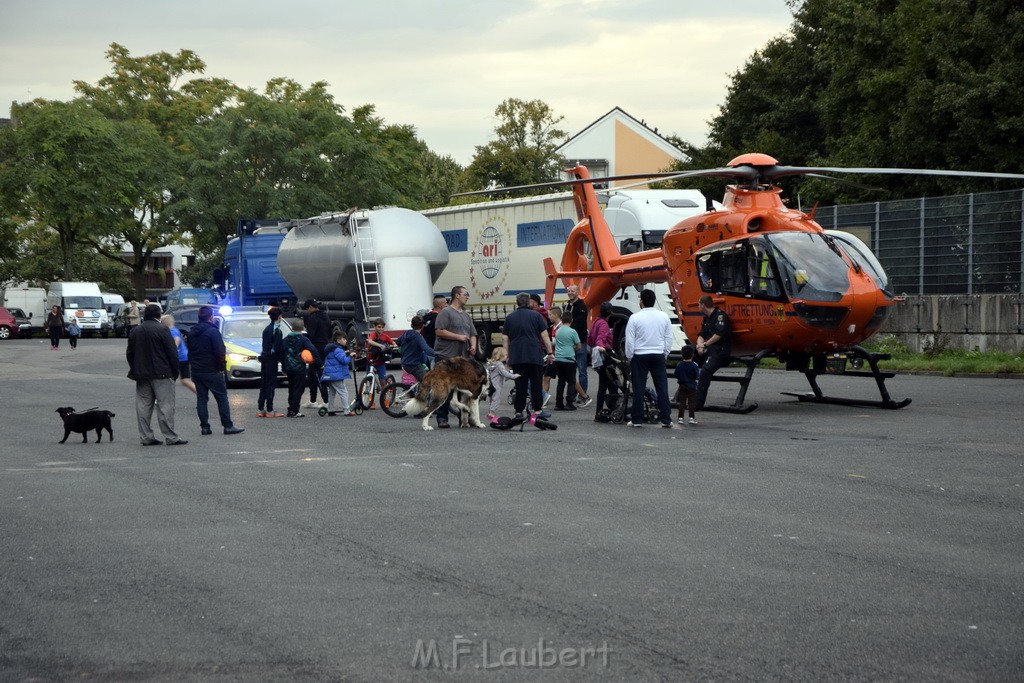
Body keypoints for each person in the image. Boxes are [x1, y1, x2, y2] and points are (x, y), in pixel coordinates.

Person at [126, 302, 186, 446]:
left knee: (143, 407)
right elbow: (172, 352)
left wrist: (135, 368)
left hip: (141, 374)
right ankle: (170, 436)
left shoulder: (135, 331)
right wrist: (175, 371)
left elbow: (130, 353)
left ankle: (146, 436)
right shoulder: (163, 330)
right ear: (159, 315)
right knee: (165, 406)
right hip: (162, 373)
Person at [186, 306, 245, 436]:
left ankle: (205, 427)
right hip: (211, 369)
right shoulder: (213, 332)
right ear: (211, 317)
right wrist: (221, 368)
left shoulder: (191, 332)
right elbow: (219, 351)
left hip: (197, 369)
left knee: (201, 398)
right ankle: (227, 425)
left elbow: (189, 351)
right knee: (221, 397)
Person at [624, 288, 674, 428]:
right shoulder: (664, 316)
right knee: (662, 387)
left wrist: (630, 356)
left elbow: (629, 340)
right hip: (658, 354)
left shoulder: (635, 317)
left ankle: (637, 419)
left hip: (640, 355)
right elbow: (668, 338)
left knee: (639, 388)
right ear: (654, 301)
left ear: (641, 302)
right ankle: (666, 418)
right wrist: (665, 353)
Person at [503, 292, 554, 420]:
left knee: (520, 384)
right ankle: (537, 410)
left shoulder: (510, 317)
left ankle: (518, 411)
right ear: (529, 302)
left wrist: (506, 356)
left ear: (517, 302)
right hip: (534, 355)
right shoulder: (536, 316)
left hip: (517, 355)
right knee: (536, 383)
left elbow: (505, 339)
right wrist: (550, 353)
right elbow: (545, 336)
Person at [432, 285, 477, 428]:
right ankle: (442, 418)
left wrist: (474, 346)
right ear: (457, 295)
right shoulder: (445, 312)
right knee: (444, 388)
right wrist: (458, 337)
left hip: (463, 358)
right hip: (446, 357)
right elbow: (439, 331)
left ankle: (464, 417)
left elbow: (472, 334)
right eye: (465, 294)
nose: (467, 296)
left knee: (464, 389)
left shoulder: (465, 315)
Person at [694, 294, 733, 411]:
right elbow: (702, 334)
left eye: (698, 304)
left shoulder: (720, 316)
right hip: (709, 348)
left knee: (705, 372)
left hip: (720, 350)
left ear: (703, 305)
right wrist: (699, 345)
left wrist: (705, 344)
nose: (698, 307)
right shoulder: (706, 317)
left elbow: (719, 335)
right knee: (688, 358)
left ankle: (698, 403)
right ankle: (680, 396)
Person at [282, 318, 320, 418]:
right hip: (299, 368)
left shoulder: (285, 339)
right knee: (298, 390)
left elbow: (282, 354)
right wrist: (319, 363)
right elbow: (313, 350)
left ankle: (290, 409)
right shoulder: (303, 340)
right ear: (303, 328)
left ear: (291, 328)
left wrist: (283, 367)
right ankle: (295, 410)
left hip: (289, 368)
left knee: (291, 389)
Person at [588, 301, 618, 419]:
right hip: (605, 355)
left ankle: (603, 410)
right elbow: (600, 338)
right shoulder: (604, 324)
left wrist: (595, 347)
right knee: (609, 384)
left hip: (598, 356)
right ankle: (609, 409)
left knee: (606, 384)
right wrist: (601, 346)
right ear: (610, 313)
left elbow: (590, 339)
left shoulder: (595, 322)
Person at [553, 310, 586, 410]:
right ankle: (569, 402)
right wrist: (572, 348)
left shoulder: (558, 331)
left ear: (562, 320)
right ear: (572, 320)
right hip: (569, 359)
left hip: (558, 358)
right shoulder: (573, 331)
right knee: (571, 381)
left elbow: (555, 343)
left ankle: (558, 403)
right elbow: (579, 346)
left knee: (561, 381)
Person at [257, 306, 285, 418]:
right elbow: (278, 349)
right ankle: (270, 409)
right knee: (271, 385)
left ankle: (261, 409)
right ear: (279, 317)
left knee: (264, 384)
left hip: (264, 359)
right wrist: (284, 365)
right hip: (272, 360)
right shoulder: (277, 331)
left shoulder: (266, 329)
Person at [302, 299, 330, 408]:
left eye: (307, 308)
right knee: (313, 374)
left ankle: (325, 402)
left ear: (310, 307)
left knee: (317, 375)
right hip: (324, 345)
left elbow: (311, 335)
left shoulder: (312, 318)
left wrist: (303, 336)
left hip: (315, 348)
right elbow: (329, 332)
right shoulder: (325, 315)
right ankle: (313, 400)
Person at [565, 284, 590, 402]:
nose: (570, 292)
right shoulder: (567, 306)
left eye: (572, 291)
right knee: (570, 371)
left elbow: (577, 324)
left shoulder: (581, 307)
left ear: (577, 292)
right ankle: (572, 395)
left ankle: (583, 394)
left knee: (582, 370)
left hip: (580, 343)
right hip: (569, 344)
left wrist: (566, 330)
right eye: (569, 290)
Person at [321, 330, 355, 416]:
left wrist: (344, 353)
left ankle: (330, 409)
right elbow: (344, 361)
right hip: (336, 375)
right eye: (344, 339)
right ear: (338, 340)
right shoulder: (338, 349)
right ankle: (346, 410)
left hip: (330, 374)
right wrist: (350, 356)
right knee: (343, 392)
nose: (346, 341)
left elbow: (335, 357)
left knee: (332, 392)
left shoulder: (332, 348)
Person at [161, 313, 196, 394]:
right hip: (185, 357)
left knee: (166, 379)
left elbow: (176, 340)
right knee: (185, 380)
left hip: (178, 358)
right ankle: (200, 395)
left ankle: (161, 396)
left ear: (164, 324)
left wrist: (173, 350)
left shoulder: (171, 331)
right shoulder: (175, 329)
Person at [396, 315, 435, 383]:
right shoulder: (419, 337)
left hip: (404, 363)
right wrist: (438, 353)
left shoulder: (406, 333)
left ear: (411, 325)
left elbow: (398, 341)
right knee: (427, 382)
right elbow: (427, 350)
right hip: (414, 365)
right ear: (422, 326)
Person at [485, 346, 519, 419]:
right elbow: (505, 373)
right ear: (501, 356)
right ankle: (492, 413)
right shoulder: (500, 365)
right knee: (496, 399)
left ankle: (490, 411)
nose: (507, 357)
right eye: (506, 355)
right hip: (497, 385)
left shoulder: (492, 364)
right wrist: (514, 376)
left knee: (492, 399)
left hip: (491, 385)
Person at [674, 345, 700, 425]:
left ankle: (680, 418)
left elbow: (676, 374)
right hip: (692, 385)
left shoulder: (679, 365)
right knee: (691, 402)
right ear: (692, 355)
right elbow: (697, 375)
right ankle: (691, 418)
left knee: (682, 402)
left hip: (682, 385)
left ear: (682, 354)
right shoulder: (694, 365)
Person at [366, 318, 397, 383]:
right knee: (369, 378)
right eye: (379, 327)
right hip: (371, 360)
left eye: (382, 327)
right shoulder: (373, 334)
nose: (381, 329)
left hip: (380, 361)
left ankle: (384, 392)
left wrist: (389, 346)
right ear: (374, 327)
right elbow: (370, 341)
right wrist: (380, 345)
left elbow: (394, 344)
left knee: (382, 380)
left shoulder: (385, 336)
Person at [421, 295, 447, 360]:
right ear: (440, 305)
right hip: (435, 352)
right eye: (446, 303)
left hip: (425, 351)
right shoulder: (439, 319)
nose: (447, 305)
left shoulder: (425, 318)